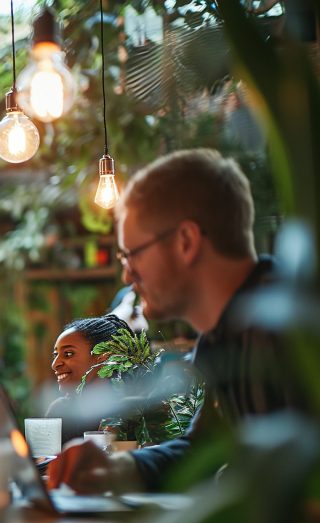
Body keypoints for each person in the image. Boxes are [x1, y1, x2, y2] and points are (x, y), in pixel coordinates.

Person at [48, 148, 299, 493]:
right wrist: (118, 465)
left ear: (186, 242)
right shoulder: (220, 338)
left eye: (132, 254)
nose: (126, 275)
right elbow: (199, 448)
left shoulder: (292, 327)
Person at [46, 314, 135, 442]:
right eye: (55, 355)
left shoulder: (135, 410)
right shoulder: (59, 411)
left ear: (103, 357)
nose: (55, 365)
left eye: (68, 354)